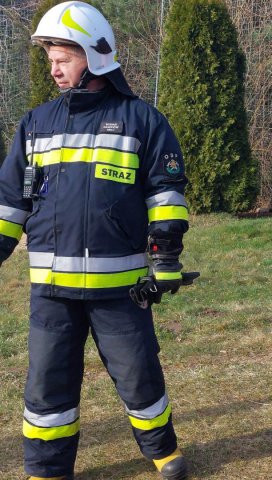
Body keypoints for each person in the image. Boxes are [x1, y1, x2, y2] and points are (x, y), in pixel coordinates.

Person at [0, 2, 190, 479]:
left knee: (140, 379)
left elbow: (166, 194)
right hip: (51, 293)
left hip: (121, 292)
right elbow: (8, 204)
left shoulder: (142, 120)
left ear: (95, 55)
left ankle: (162, 451)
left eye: (62, 56)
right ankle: (46, 469)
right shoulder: (35, 124)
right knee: (47, 389)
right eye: (49, 59)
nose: (54, 68)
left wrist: (165, 258)